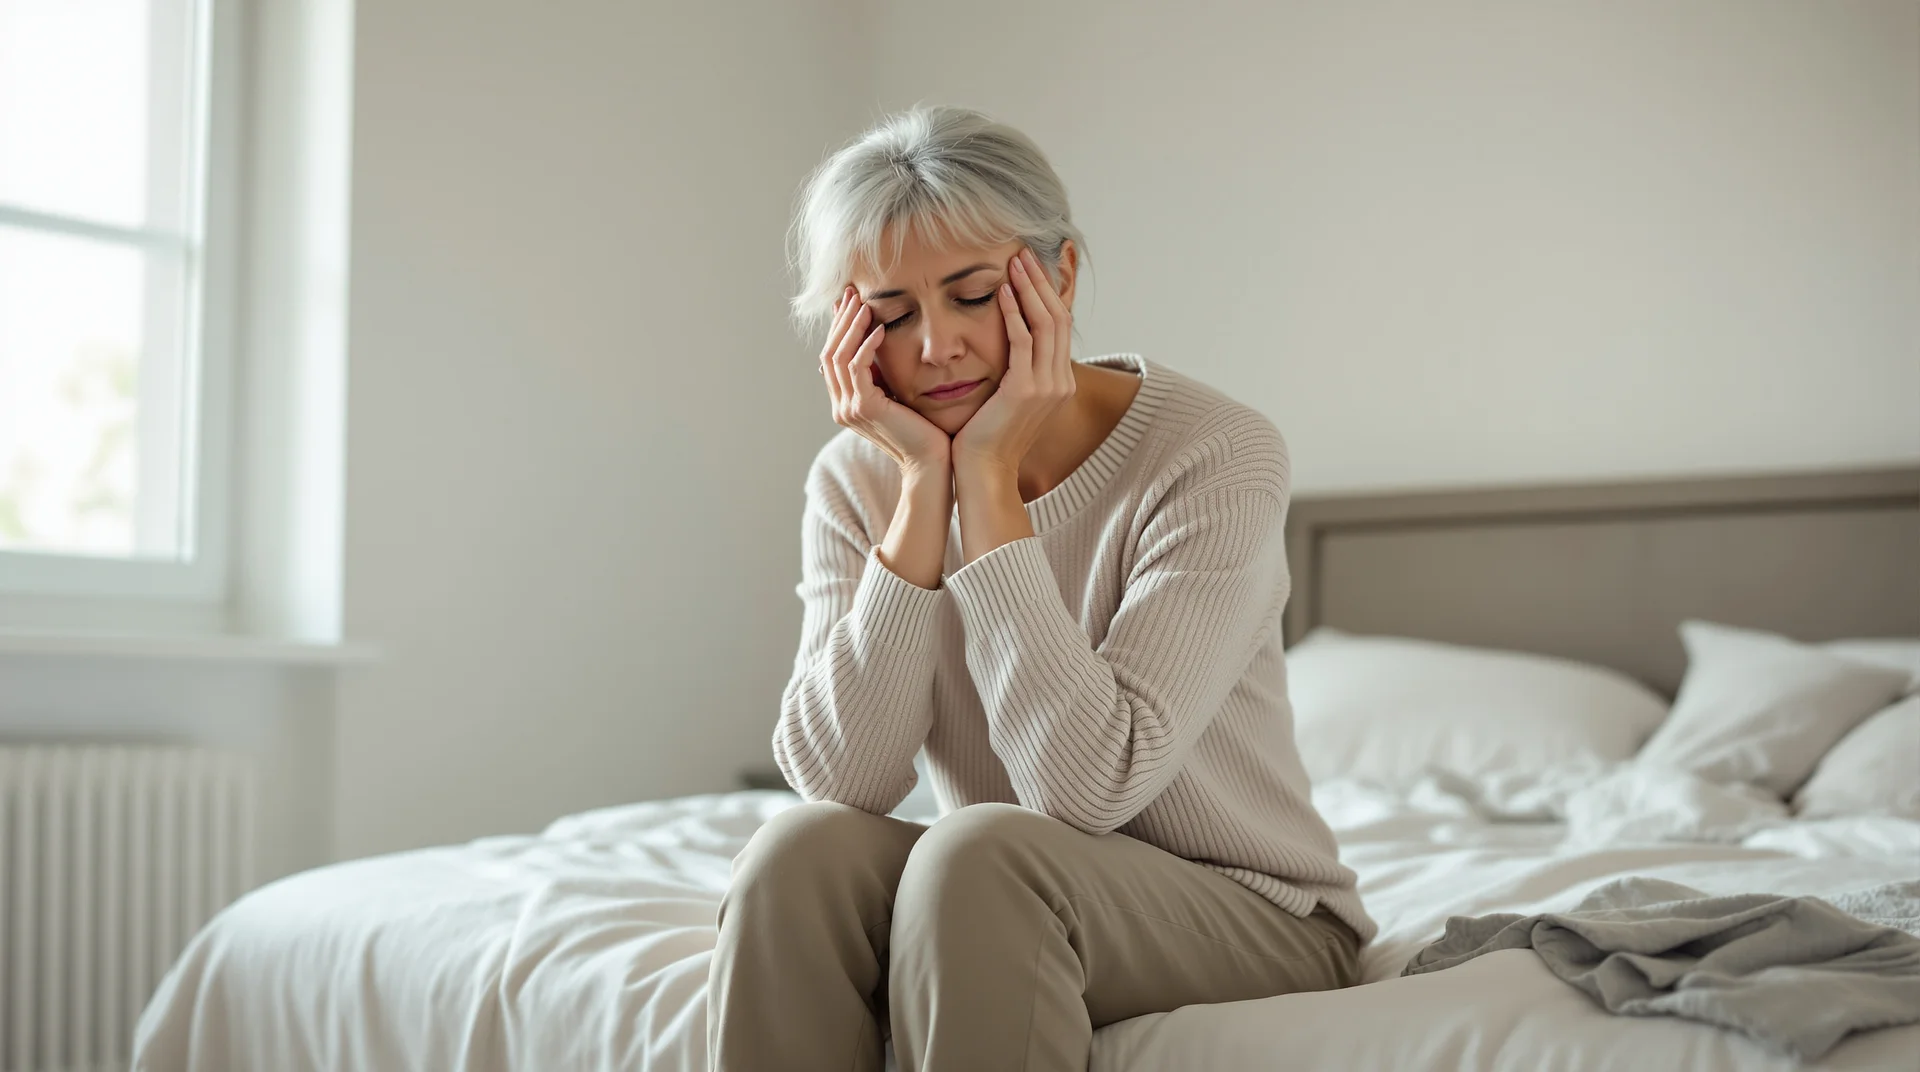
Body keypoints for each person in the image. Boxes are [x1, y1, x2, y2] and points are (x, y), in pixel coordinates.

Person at [707, 104, 1374, 1072]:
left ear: (1058, 277)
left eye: (974, 295)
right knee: (792, 856)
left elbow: (1087, 786)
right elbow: (841, 781)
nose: (934, 345)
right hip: (1004, 886)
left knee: (979, 852)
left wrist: (987, 489)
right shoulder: (856, 478)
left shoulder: (1215, 453)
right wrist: (920, 495)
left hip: (1254, 913)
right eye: (889, 315)